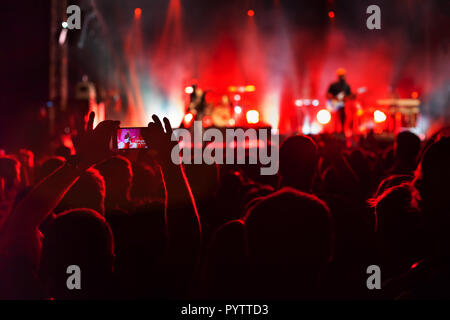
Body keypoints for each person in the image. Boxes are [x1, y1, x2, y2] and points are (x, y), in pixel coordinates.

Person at [326, 68, 353, 134]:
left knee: (343, 117)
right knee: (335, 118)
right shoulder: (333, 85)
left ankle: (342, 131)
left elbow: (349, 96)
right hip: (334, 104)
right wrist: (334, 99)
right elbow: (328, 95)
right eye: (340, 76)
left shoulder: (347, 86)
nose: (342, 77)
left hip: (342, 105)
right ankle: (334, 130)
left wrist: (351, 97)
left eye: (343, 75)